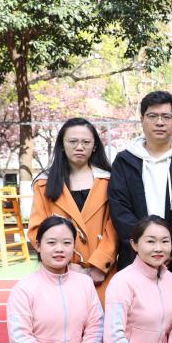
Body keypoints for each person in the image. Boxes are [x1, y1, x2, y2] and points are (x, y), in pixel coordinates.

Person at [108, 90, 172, 295]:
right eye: (152, 116)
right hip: (134, 263)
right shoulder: (125, 160)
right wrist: (145, 247)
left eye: (166, 117)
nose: (159, 122)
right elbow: (119, 208)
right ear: (142, 120)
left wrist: (167, 247)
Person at [28, 117, 117, 303]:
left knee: (102, 318)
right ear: (62, 145)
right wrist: (66, 263)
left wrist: (100, 264)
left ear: (94, 146)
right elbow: (37, 230)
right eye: (73, 141)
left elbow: (115, 226)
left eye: (86, 142)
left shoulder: (109, 181)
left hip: (102, 274)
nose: (79, 147)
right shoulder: (44, 184)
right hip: (59, 272)